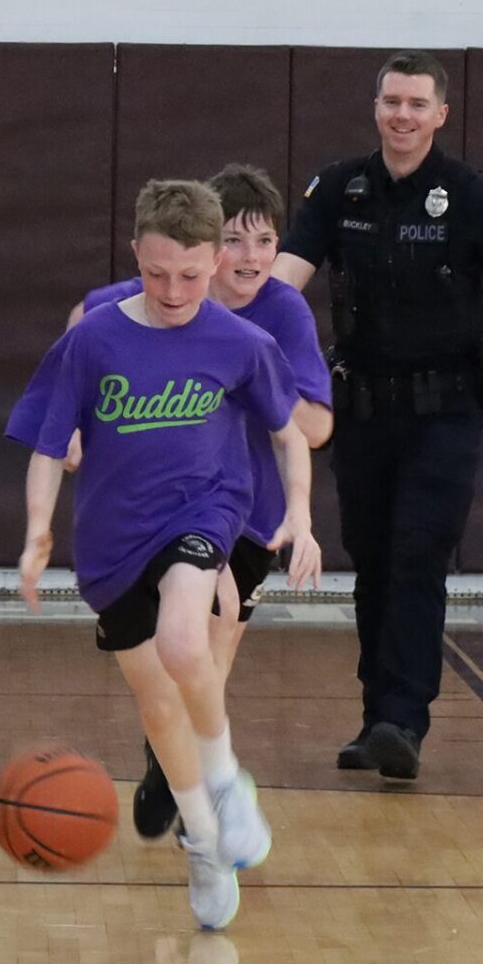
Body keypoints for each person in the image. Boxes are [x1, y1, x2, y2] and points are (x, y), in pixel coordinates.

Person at [11, 179, 323, 930]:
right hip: (115, 536)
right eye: (156, 274)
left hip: (206, 511)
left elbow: (289, 434)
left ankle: (226, 786)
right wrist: (37, 532)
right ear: (135, 257)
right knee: (157, 704)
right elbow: (48, 444)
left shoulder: (244, 342)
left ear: (216, 262)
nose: (174, 289)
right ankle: (205, 842)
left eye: (190, 273)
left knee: (188, 637)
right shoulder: (92, 339)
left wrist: (303, 517)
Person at [271, 50, 483, 781]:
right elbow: (283, 285)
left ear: (441, 113)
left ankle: (406, 717)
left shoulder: (471, 195)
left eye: (416, 103)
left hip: (446, 413)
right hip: (363, 410)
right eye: (391, 101)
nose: (402, 115)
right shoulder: (340, 189)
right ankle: (378, 716)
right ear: (376, 109)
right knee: (371, 559)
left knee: (417, 554)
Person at [66, 165, 332, 839]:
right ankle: (182, 767)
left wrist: (249, 385)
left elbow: (317, 427)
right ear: (209, 250)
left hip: (246, 511)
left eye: (264, 241)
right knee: (165, 664)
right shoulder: (158, 292)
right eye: (236, 242)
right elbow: (85, 320)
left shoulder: (279, 314)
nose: (250, 258)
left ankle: (186, 780)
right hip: (150, 506)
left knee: (205, 648)